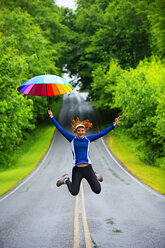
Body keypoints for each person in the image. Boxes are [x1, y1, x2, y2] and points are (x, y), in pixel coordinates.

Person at [48, 110, 121, 196]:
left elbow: (102, 133)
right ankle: (66, 179)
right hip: (77, 170)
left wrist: (114, 125)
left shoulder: (88, 139)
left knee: (97, 190)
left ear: (84, 131)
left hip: (88, 168)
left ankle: (95, 176)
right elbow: (60, 129)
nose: (81, 132)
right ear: (76, 131)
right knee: (74, 192)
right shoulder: (72, 139)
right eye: (79, 131)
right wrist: (52, 117)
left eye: (82, 130)